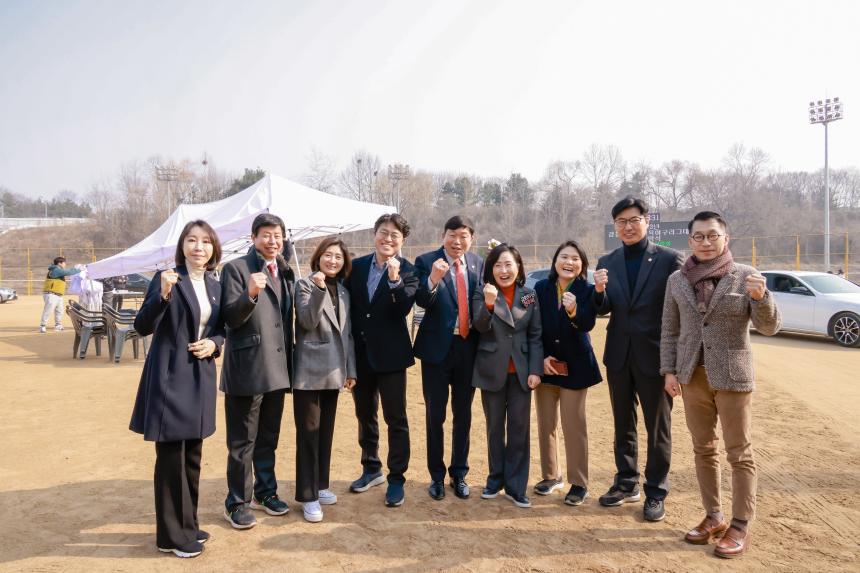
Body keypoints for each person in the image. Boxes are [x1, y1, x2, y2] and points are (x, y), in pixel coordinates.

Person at [661, 211, 781, 558]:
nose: (706, 242)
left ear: (725, 239)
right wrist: (669, 370)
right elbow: (670, 329)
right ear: (690, 240)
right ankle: (714, 516)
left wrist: (761, 298)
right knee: (703, 448)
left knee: (739, 452)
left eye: (713, 235)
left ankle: (740, 524)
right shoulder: (676, 280)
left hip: (732, 377)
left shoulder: (745, 276)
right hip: (692, 376)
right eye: (699, 236)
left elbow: (770, 327)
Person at [129, 220, 224, 558]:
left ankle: (188, 524)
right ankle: (170, 537)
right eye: (192, 240)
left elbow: (221, 327)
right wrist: (163, 295)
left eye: (206, 241)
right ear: (182, 246)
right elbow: (142, 325)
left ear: (214, 248)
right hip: (170, 378)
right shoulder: (167, 278)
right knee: (172, 458)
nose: (199, 247)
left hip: (200, 375)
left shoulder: (214, 283)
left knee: (192, 455)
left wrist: (214, 344)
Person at [592, 195, 684, 522]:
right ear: (615, 226)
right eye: (621, 222)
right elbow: (603, 309)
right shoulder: (607, 260)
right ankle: (626, 481)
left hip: (656, 356)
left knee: (657, 427)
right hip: (619, 354)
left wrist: (675, 363)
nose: (628, 227)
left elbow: (679, 310)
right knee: (623, 423)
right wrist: (598, 291)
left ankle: (656, 491)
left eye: (634, 220)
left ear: (647, 221)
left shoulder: (669, 259)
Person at [220, 213, 295, 529]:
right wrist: (249, 294)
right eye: (266, 235)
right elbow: (229, 317)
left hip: (277, 368)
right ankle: (236, 502)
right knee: (242, 442)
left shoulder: (285, 271)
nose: (272, 241)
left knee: (268, 437)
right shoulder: (236, 269)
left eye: (277, 235)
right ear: (253, 238)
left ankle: (265, 492)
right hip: (248, 369)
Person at [344, 213, 418, 507]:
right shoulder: (357, 267)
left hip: (392, 356)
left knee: (395, 418)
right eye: (383, 232)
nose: (388, 239)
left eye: (394, 235)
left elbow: (403, 309)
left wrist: (394, 280)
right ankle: (371, 467)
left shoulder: (409, 270)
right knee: (365, 414)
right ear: (374, 234)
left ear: (402, 241)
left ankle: (396, 478)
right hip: (361, 355)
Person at [414, 215, 484, 500]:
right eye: (452, 235)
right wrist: (433, 278)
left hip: (468, 347)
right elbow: (421, 300)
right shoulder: (426, 261)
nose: (457, 241)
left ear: (471, 239)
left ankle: (459, 473)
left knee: (463, 414)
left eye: (463, 236)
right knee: (435, 415)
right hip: (436, 351)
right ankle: (436, 476)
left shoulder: (478, 263)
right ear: (443, 236)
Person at [471, 244, 542, 508]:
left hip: (521, 373)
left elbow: (535, 334)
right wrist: (489, 304)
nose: (504, 270)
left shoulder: (528, 295)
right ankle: (495, 480)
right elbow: (479, 326)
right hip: (491, 370)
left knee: (519, 430)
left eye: (508, 264)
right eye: (498, 265)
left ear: (518, 267)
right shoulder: (482, 292)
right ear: (491, 269)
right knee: (494, 428)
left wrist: (535, 369)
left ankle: (516, 486)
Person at [533, 240, 602, 506]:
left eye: (575, 259)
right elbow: (532, 325)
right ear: (555, 261)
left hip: (576, 366)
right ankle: (551, 475)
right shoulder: (540, 288)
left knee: (574, 425)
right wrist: (540, 358)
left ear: (582, 265)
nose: (569, 262)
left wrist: (573, 310)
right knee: (546, 424)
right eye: (564, 257)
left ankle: (579, 482)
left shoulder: (587, 290)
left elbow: (587, 323)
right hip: (546, 365)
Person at [292, 237, 357, 523]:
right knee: (308, 434)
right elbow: (307, 321)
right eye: (328, 255)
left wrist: (351, 370)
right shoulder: (305, 285)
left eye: (338, 257)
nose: (333, 261)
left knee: (325, 431)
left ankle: (320, 485)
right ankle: (308, 496)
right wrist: (319, 289)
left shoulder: (343, 291)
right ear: (318, 257)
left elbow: (347, 333)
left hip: (334, 371)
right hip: (308, 371)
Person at [39, 256, 82, 333]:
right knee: (48, 310)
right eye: (64, 263)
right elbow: (68, 272)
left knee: (59, 311)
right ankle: (42, 325)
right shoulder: (56, 270)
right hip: (51, 294)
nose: (65, 264)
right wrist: (79, 270)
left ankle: (58, 325)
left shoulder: (57, 270)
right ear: (59, 263)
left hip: (58, 294)